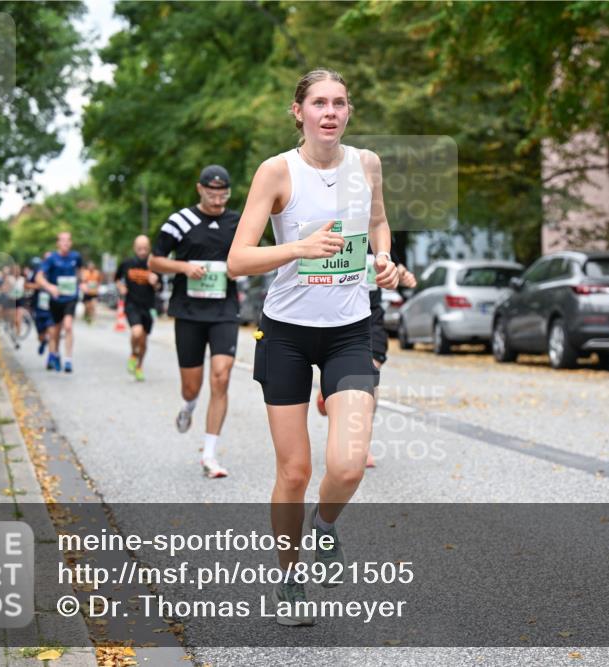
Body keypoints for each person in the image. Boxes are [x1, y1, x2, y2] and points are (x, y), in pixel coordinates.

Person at [227, 68, 399, 625]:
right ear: (298, 111)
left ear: (349, 112)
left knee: (348, 465)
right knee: (295, 470)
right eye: (319, 102)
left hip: (350, 329)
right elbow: (238, 260)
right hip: (286, 333)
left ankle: (324, 529)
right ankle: (288, 577)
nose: (330, 112)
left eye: (340, 103)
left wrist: (383, 259)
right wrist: (298, 247)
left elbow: (378, 221)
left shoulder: (366, 164)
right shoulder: (277, 172)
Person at [150, 165, 241, 479]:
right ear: (199, 189)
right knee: (192, 386)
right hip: (189, 312)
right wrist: (184, 267)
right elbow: (154, 260)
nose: (218, 200)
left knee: (221, 375)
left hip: (224, 310)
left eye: (223, 194)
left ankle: (209, 454)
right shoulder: (181, 220)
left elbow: (253, 258)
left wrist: (238, 269)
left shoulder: (237, 222)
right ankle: (189, 406)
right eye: (212, 193)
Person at [316, 254, 416, 469]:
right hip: (340, 318)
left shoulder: (378, 234)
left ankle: (360, 444)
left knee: (369, 378)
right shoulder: (341, 230)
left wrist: (402, 274)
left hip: (372, 318)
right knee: (349, 383)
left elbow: (393, 264)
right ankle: (331, 392)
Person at [36, 232, 83, 373]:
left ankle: (68, 360)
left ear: (71, 243)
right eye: (63, 241)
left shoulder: (76, 257)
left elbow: (80, 272)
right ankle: (54, 353)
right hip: (56, 299)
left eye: (68, 240)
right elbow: (39, 277)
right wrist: (50, 287)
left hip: (70, 298)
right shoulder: (51, 259)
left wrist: (82, 283)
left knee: (68, 326)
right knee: (55, 330)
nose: (66, 243)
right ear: (58, 243)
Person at [116, 236, 160, 381]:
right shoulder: (127, 263)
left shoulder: (154, 265)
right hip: (131, 304)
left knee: (143, 341)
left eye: (145, 248)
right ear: (135, 248)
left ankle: (139, 366)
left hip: (148, 306)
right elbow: (117, 279)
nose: (142, 251)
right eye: (139, 248)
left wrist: (155, 283)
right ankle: (133, 354)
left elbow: (160, 288)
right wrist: (121, 287)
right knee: (136, 332)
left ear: (149, 248)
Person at [28, 256, 53, 356]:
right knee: (40, 334)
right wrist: (39, 286)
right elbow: (27, 285)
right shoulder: (34, 273)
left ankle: (52, 355)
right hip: (38, 305)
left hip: (51, 305)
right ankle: (43, 341)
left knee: (51, 328)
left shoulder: (53, 271)